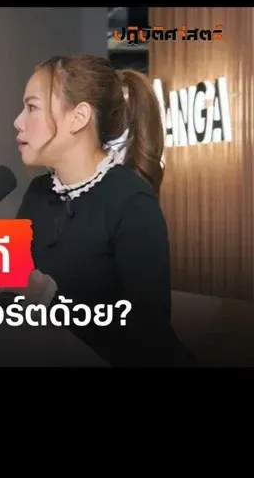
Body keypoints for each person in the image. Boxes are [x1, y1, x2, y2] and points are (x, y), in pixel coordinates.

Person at [13, 54, 196, 367]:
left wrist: (52, 302)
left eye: (32, 107)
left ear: (79, 117)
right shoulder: (38, 194)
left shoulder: (131, 201)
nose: (18, 121)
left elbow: (148, 338)